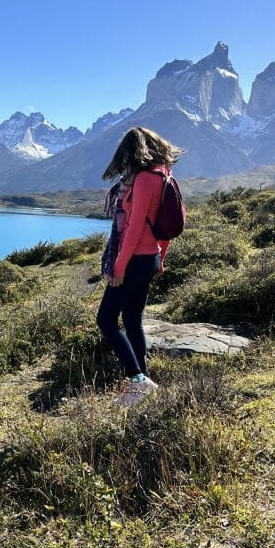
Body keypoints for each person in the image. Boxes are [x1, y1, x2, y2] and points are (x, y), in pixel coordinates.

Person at [96, 126, 180, 406]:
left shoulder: (144, 179)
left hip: (135, 259)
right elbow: (166, 225)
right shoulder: (164, 175)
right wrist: (161, 258)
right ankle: (141, 383)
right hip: (149, 257)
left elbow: (133, 228)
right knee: (132, 321)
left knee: (106, 320)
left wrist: (118, 267)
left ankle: (138, 380)